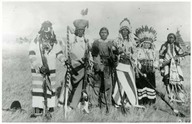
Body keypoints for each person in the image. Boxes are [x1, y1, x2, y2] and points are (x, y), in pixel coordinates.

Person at [29, 21, 66, 117]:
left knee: (50, 88)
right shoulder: (36, 40)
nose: (46, 30)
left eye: (48, 27)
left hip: (51, 69)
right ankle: (38, 109)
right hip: (38, 69)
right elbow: (31, 53)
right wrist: (37, 65)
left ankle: (49, 109)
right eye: (45, 27)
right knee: (38, 88)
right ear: (42, 28)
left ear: (51, 28)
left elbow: (59, 53)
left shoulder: (54, 40)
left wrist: (64, 60)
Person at [58, 18, 90, 113]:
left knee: (80, 86)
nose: (80, 32)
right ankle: (61, 102)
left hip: (82, 67)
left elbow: (88, 53)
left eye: (82, 30)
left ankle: (72, 106)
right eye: (79, 30)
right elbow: (66, 51)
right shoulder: (71, 39)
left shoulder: (86, 40)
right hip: (72, 66)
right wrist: (67, 61)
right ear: (76, 30)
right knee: (67, 84)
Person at [112, 18, 140, 108]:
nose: (124, 32)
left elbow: (135, 53)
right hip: (120, 64)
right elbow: (113, 53)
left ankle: (129, 101)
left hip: (129, 65)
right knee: (120, 84)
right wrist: (118, 54)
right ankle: (118, 101)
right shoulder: (116, 41)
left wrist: (131, 56)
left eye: (126, 30)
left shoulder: (132, 42)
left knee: (129, 83)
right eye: (123, 30)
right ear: (121, 31)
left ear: (128, 31)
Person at [159, 33, 189, 103]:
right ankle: (170, 96)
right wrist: (162, 65)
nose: (170, 39)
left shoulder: (177, 46)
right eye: (169, 37)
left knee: (179, 80)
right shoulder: (164, 46)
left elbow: (182, 55)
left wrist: (177, 59)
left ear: (174, 39)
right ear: (167, 38)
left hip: (175, 66)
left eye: (172, 37)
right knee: (167, 81)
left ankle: (180, 97)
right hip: (167, 65)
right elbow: (160, 56)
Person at [91, 27, 116, 111]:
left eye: (105, 32)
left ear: (107, 34)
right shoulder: (96, 43)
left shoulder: (111, 43)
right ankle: (94, 105)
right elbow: (94, 55)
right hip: (98, 65)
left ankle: (106, 104)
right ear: (99, 33)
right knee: (97, 85)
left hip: (107, 67)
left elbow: (114, 55)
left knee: (107, 86)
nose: (103, 34)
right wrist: (98, 65)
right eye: (102, 32)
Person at [135, 26, 158, 105]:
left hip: (150, 71)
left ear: (150, 44)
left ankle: (150, 101)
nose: (147, 45)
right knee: (142, 85)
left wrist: (154, 67)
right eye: (145, 43)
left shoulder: (153, 52)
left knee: (150, 85)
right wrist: (138, 67)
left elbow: (155, 60)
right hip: (142, 70)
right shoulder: (139, 51)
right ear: (142, 43)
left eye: (148, 44)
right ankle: (142, 101)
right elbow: (136, 60)